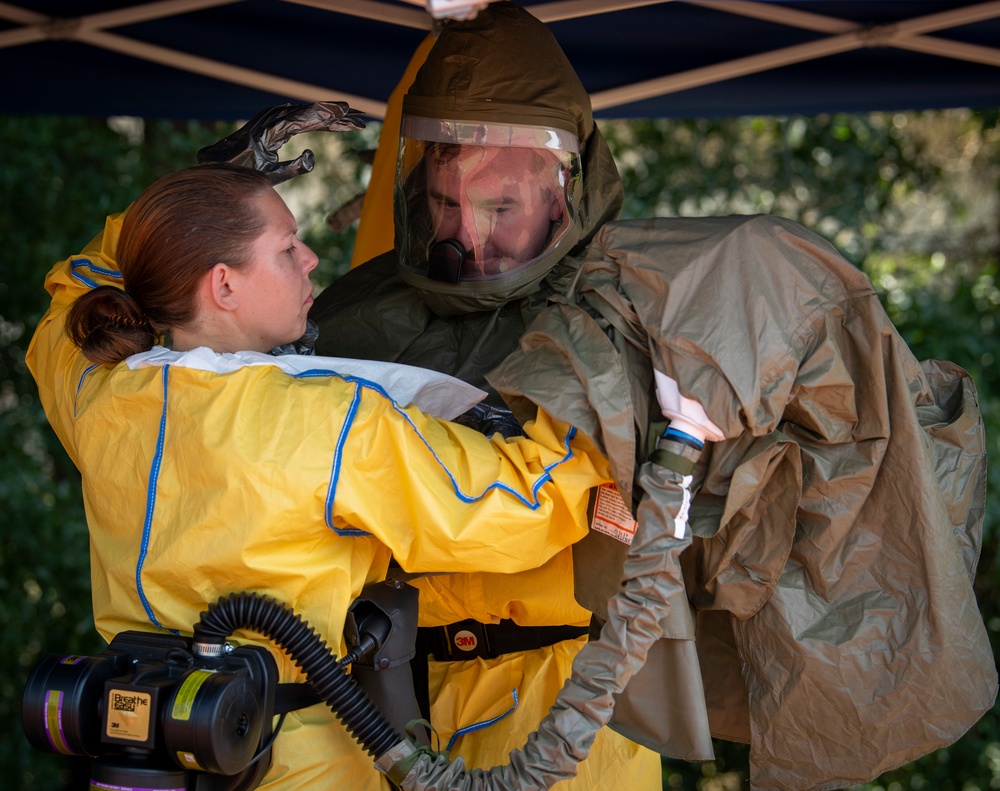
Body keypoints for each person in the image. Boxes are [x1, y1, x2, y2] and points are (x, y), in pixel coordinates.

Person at [301, 3, 996, 789]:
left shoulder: (637, 309)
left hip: (574, 714)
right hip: (377, 704)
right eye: (445, 203)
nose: (470, 235)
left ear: (565, 189)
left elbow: (798, 331)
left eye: (501, 207)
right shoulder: (358, 310)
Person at [25, 162, 618, 789]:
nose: (309, 259)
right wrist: (593, 402)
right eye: (286, 248)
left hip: (143, 757)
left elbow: (69, 300)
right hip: (296, 761)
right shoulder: (324, 421)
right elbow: (518, 508)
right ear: (223, 285)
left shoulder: (101, 395)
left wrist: (171, 205)